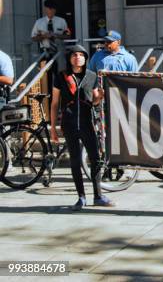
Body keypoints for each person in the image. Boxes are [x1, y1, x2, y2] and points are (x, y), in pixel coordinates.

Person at [49, 45, 114, 211]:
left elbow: (94, 102)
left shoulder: (92, 76)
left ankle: (98, 196)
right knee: (75, 160)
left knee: (96, 159)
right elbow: (55, 103)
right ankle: (81, 197)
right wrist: (53, 128)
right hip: (69, 124)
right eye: (74, 55)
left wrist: (99, 97)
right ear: (70, 58)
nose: (77, 57)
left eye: (81, 55)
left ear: (85, 58)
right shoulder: (61, 76)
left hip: (87, 123)